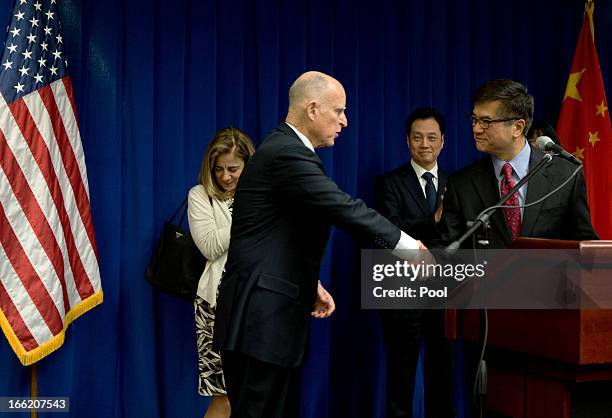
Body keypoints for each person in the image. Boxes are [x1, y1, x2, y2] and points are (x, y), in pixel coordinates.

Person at [212, 71, 425, 418]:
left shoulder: (286, 150)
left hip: (270, 317)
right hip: (262, 321)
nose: (345, 120)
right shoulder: (286, 153)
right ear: (312, 108)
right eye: (338, 110)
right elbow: (342, 206)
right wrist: (408, 246)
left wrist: (309, 283)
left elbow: (279, 235)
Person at [441, 79, 597, 249]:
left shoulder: (565, 175)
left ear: (517, 127)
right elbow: (449, 252)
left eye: (486, 121)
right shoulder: (461, 184)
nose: (476, 129)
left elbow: (585, 245)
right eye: (474, 120)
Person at [375, 107, 454, 418]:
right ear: (407, 141)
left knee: (443, 376)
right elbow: (388, 233)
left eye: (432, 138)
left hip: (444, 292)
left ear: (443, 141)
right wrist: (433, 220)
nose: (425, 144)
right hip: (401, 293)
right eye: (418, 138)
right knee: (401, 376)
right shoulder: (389, 183)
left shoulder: (456, 182)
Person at [187, 127, 255, 418]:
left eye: (234, 169)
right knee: (223, 397)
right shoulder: (200, 195)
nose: (225, 177)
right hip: (215, 306)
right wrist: (250, 213)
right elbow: (210, 246)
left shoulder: (265, 196)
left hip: (257, 304)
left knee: (256, 395)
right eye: (219, 169)